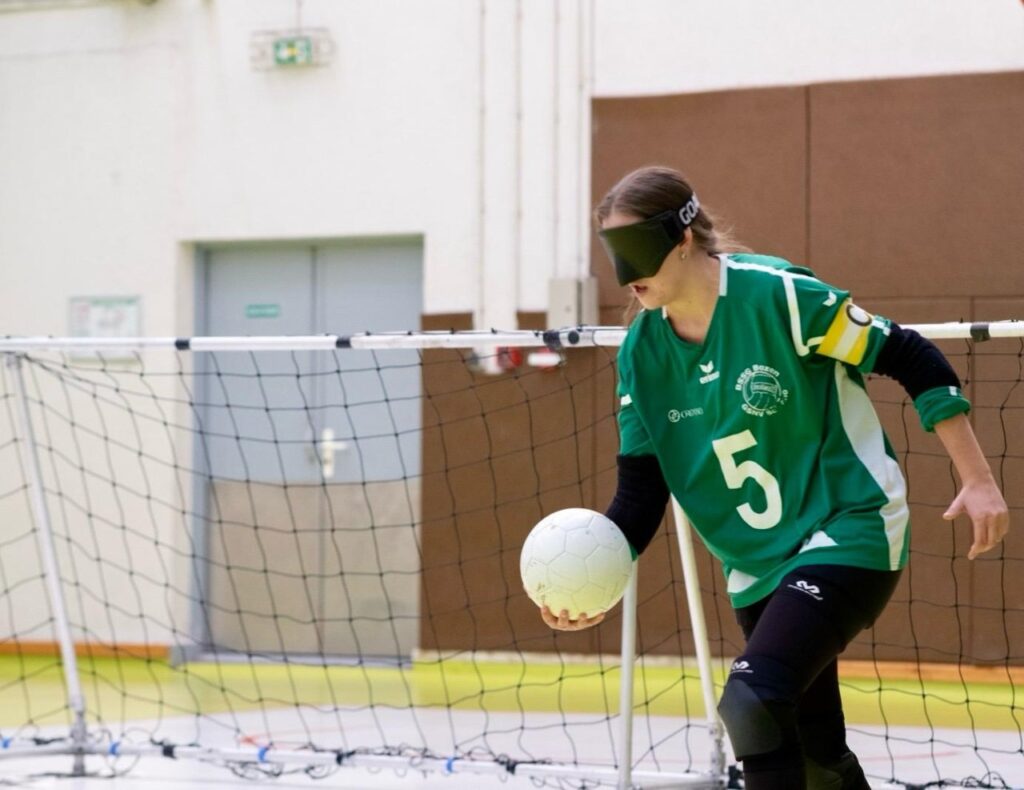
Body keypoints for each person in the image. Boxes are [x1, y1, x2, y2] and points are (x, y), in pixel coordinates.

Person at [538, 165, 1010, 789]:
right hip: (755, 563)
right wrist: (597, 572)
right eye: (611, 253)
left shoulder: (779, 297)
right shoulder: (641, 355)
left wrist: (977, 479)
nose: (627, 275)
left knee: (752, 700)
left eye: (635, 250)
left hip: (849, 525)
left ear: (682, 237)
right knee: (813, 757)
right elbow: (641, 493)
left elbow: (910, 355)